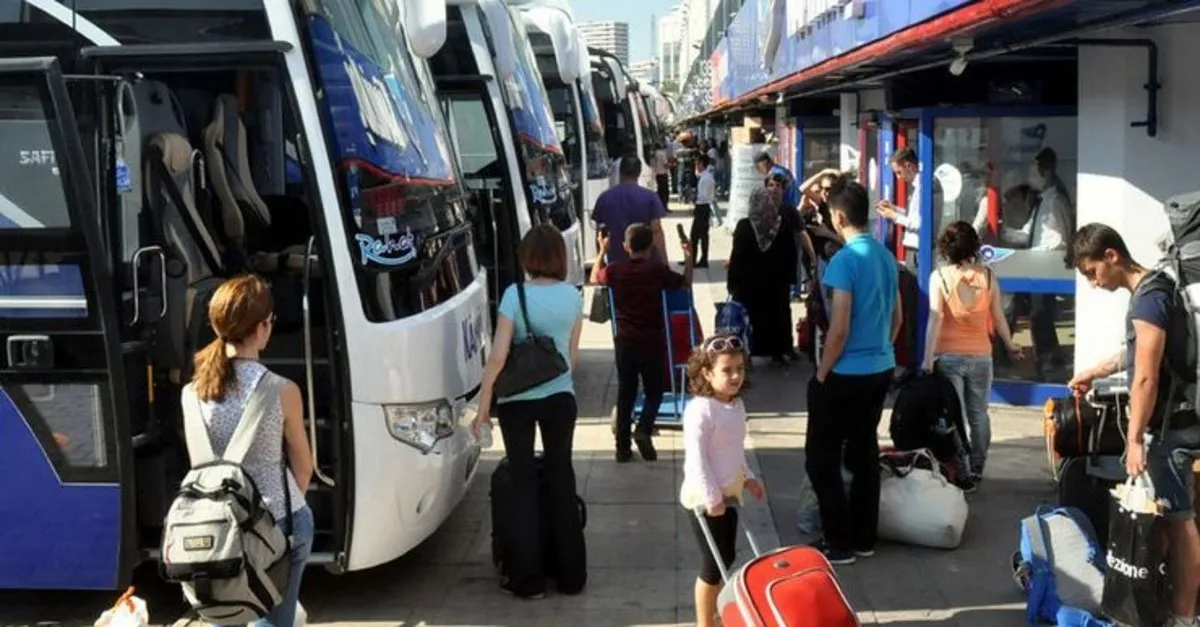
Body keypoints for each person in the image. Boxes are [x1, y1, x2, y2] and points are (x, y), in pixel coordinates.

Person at [1066, 223, 1200, 627]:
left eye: (1092, 272)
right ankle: (1167, 605)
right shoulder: (1160, 288)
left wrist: (1136, 438)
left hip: (1172, 427)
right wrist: (1095, 370)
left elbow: (1146, 377)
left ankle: (1183, 617)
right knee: (1178, 518)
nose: (1093, 283)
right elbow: (1135, 352)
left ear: (1112, 256)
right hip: (1186, 415)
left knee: (1180, 523)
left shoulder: (1149, 299)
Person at [184, 274, 314, 627]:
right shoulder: (282, 390)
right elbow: (304, 467)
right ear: (261, 329)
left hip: (214, 528)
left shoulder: (191, 393)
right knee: (273, 621)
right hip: (276, 521)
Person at [473, 224, 587, 599]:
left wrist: (483, 406)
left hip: (516, 401)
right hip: (559, 397)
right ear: (559, 256)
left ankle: (528, 580)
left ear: (527, 257)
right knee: (561, 478)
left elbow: (498, 356)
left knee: (522, 484)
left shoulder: (513, 295)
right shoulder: (572, 296)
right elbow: (571, 357)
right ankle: (572, 576)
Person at [805, 177, 901, 565]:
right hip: (881, 367)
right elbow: (898, 319)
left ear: (839, 216)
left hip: (845, 373)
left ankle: (838, 541)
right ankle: (864, 537)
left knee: (821, 457)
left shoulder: (844, 262)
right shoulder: (884, 257)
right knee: (863, 452)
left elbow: (839, 327)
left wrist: (823, 372)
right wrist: (882, 348)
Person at [922, 221, 1022, 489]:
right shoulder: (988, 277)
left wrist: (927, 359)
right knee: (979, 413)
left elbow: (935, 319)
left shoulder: (939, 277)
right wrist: (1010, 344)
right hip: (981, 356)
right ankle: (978, 465)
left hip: (948, 355)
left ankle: (962, 466)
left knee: (956, 415)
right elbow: (999, 317)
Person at [680, 334, 765, 627]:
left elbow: (734, 450)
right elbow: (697, 459)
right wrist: (712, 496)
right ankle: (705, 623)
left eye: (740, 369)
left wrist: (750, 478)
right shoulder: (701, 410)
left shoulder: (735, 405)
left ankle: (717, 611)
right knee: (712, 566)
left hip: (730, 492)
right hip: (704, 499)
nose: (735, 376)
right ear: (707, 372)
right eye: (727, 370)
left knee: (726, 557)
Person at [590, 223, 694, 462]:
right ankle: (644, 428)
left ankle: (622, 448)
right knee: (654, 391)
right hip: (652, 340)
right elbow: (685, 283)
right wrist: (688, 257)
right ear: (651, 247)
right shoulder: (656, 270)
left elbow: (596, 277)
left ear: (626, 247)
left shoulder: (615, 270)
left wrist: (601, 251)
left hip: (625, 341)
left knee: (626, 392)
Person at [728, 185, 797, 366]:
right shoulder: (782, 225)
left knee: (751, 318)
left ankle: (749, 353)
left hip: (749, 285)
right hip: (777, 283)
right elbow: (792, 254)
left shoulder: (744, 226)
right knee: (777, 316)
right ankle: (778, 352)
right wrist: (791, 278)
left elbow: (737, 257)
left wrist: (732, 282)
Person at [593, 154, 668, 264]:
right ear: (639, 172)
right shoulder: (651, 197)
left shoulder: (604, 198)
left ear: (620, 172)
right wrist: (665, 263)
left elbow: (600, 235)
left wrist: (600, 262)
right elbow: (657, 232)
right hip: (646, 265)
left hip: (616, 266)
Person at [877, 146, 922, 271]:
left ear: (908, 166)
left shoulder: (922, 187)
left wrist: (894, 216)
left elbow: (919, 223)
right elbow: (912, 216)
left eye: (899, 172)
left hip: (917, 249)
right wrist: (894, 209)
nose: (898, 177)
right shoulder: (918, 186)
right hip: (914, 248)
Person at [688, 154, 716, 268]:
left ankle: (703, 260)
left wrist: (694, 196)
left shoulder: (706, 178)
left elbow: (704, 196)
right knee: (695, 235)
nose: (696, 165)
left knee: (701, 235)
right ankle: (692, 259)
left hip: (703, 208)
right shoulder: (703, 176)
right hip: (701, 208)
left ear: (702, 164)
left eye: (698, 163)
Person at [652, 141, 671, 210]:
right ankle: (664, 206)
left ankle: (658, 206)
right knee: (665, 192)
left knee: (659, 191)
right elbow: (665, 164)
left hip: (657, 174)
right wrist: (670, 165)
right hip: (663, 174)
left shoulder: (653, 154)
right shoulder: (661, 153)